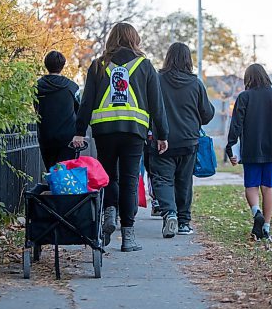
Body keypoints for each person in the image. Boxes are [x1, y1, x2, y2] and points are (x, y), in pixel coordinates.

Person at [72, 23, 169, 252]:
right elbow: (157, 103)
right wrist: (162, 135)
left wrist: (79, 130)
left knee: (107, 176)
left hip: (104, 130)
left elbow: (87, 101)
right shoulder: (144, 65)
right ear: (134, 39)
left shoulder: (98, 65)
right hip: (134, 131)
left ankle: (109, 212)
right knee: (129, 180)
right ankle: (128, 236)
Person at [150, 42, 215, 238]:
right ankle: (184, 222)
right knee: (184, 181)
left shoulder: (157, 81)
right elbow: (208, 114)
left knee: (162, 179)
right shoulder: (196, 84)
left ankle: (169, 212)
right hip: (188, 141)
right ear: (188, 60)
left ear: (168, 58)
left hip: (162, 140)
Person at [225, 63, 272, 240]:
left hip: (251, 149)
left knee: (251, 186)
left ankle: (256, 212)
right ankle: (266, 226)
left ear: (248, 79)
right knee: (268, 187)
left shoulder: (244, 97)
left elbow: (236, 124)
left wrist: (230, 148)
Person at [35, 50, 80, 171]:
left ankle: (53, 189)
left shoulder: (37, 87)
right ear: (63, 65)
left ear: (46, 64)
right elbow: (79, 110)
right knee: (65, 173)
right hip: (68, 138)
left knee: (51, 171)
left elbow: (36, 109)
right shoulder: (72, 87)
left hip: (46, 136)